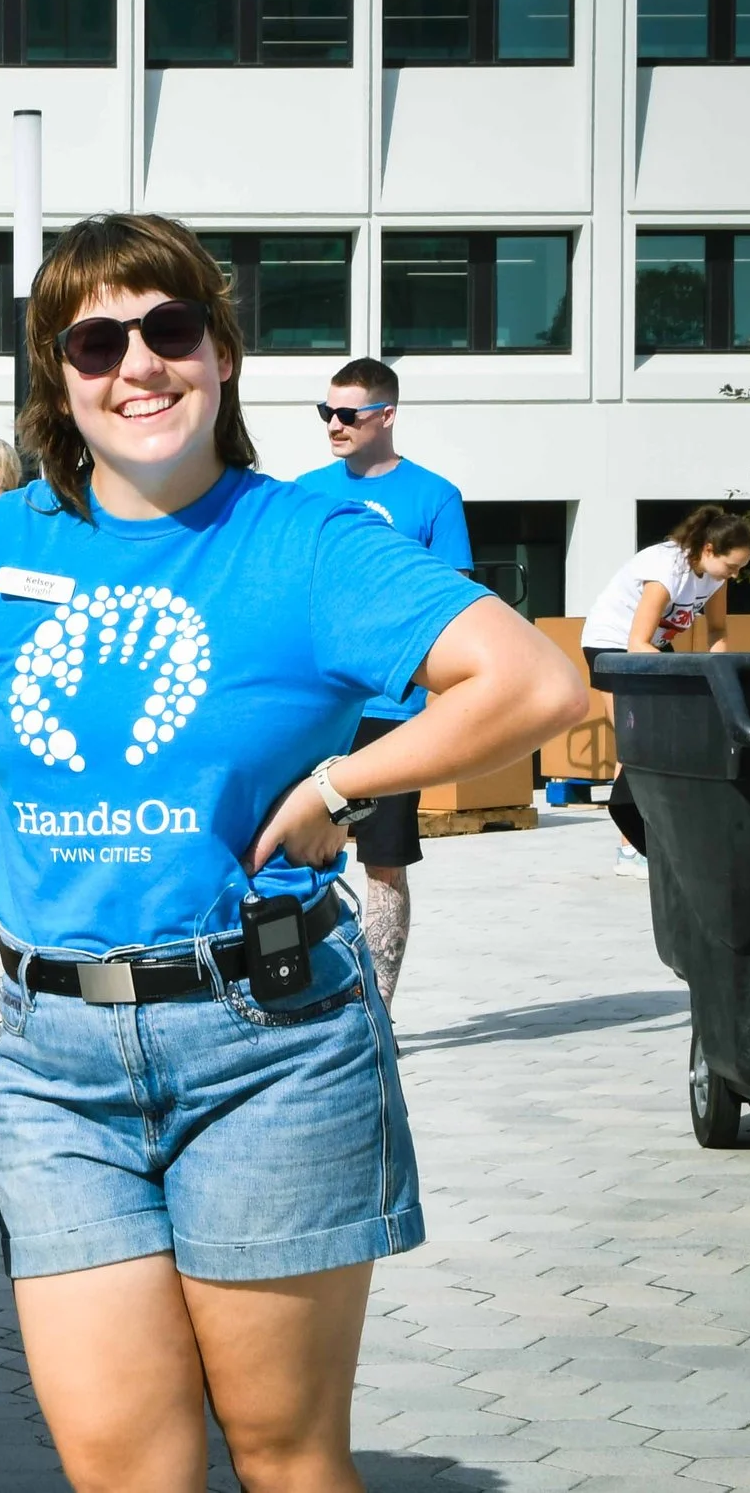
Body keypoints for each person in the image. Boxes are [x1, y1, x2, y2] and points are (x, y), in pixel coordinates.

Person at [0, 212, 587, 1493]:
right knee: (124, 1471)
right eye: (96, 340)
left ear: (221, 354)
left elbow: (530, 681)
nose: (138, 364)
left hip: (268, 1042)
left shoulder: (304, 536)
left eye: (168, 328)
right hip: (57, 1061)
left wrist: (342, 784)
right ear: (56, 378)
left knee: (286, 1459)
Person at [293, 358, 473, 1011]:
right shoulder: (305, 492)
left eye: (348, 414)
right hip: (318, 706)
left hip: (394, 708)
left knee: (384, 860)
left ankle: (378, 1008)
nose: (333, 425)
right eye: (325, 413)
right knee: (301, 848)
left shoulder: (433, 497)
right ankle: (310, 997)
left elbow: (454, 601)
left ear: (386, 415)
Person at [578, 505, 750, 868]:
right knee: (636, 739)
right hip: (613, 645)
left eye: (740, 568)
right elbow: (637, 641)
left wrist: (721, 674)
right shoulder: (666, 570)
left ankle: (653, 837)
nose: (734, 575)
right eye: (732, 566)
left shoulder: (716, 577)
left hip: (653, 647)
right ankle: (631, 848)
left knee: (657, 739)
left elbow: (718, 631)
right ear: (708, 550)